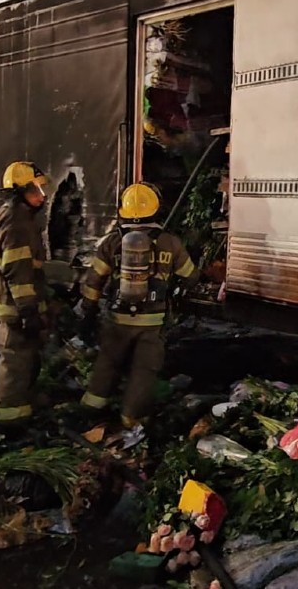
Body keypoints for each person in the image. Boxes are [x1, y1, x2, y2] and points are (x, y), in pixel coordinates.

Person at [78, 182, 199, 427]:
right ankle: (131, 418)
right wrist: (175, 290)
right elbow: (190, 275)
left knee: (108, 361)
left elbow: (93, 281)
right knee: (144, 370)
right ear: (156, 209)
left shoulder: (111, 242)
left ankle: (91, 407)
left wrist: (88, 312)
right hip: (152, 322)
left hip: (117, 318)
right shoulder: (170, 242)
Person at [0, 161, 50, 425]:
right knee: (16, 362)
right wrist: (29, 311)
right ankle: (11, 418)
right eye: (37, 189)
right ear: (21, 191)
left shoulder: (6, 214)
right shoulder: (18, 223)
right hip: (15, 308)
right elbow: (19, 272)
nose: (42, 195)